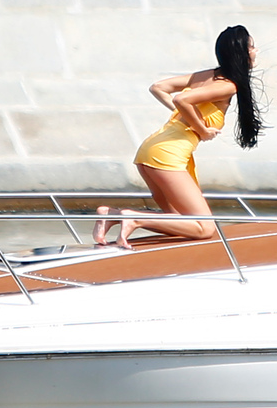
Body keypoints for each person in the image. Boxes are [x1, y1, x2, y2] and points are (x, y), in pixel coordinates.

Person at [96, 24, 262, 246]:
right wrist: (202, 129)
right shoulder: (229, 86)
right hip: (167, 155)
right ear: (241, 52)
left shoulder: (206, 76)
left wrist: (186, 115)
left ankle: (112, 214)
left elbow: (159, 87)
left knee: (179, 223)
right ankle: (132, 218)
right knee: (204, 228)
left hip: (150, 150)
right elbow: (180, 100)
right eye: (252, 46)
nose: (256, 50)